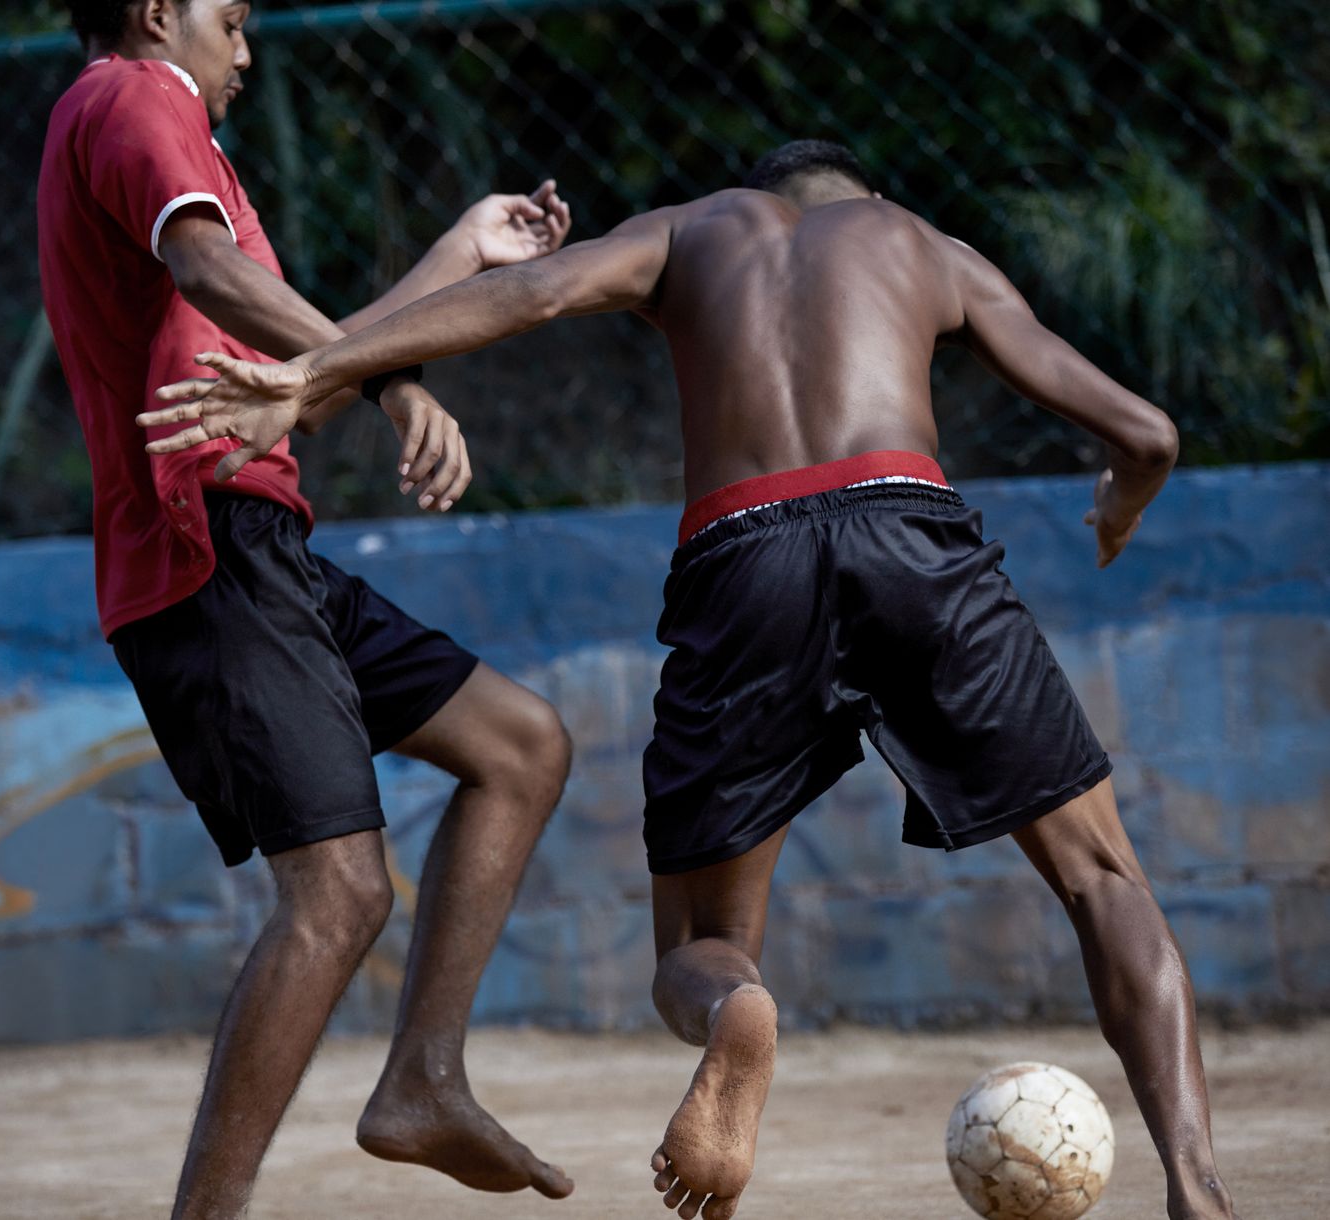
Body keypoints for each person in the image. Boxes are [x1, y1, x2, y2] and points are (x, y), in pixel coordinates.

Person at [141, 140, 1239, 1220]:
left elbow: (531, 295)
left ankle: (735, 1009)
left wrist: (316, 369)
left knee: (694, 947)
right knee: (1105, 880)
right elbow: (1147, 433)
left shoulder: (689, 230)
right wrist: (1121, 500)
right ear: (863, 199)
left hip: (744, 555)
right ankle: (1197, 1188)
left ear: (759, 198)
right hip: (913, 532)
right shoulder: (924, 246)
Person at [37, 2, 578, 1216]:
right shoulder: (133, 97)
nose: (246, 47)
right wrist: (392, 385)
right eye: (230, 17)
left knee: (520, 744)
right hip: (208, 552)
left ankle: (422, 1081)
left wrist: (458, 254)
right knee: (337, 891)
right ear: (158, 9)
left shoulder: (172, 150)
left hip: (262, 546)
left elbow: (298, 386)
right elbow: (218, 279)